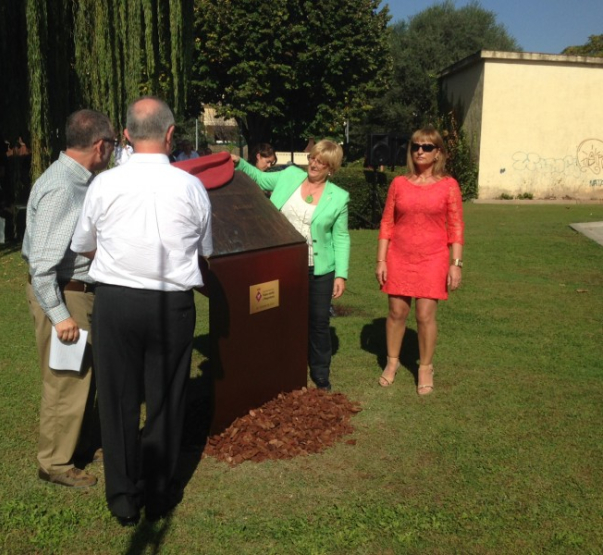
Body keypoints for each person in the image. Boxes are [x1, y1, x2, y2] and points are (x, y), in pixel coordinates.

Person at [71, 96, 213, 526]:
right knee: (167, 398)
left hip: (116, 301)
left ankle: (123, 496)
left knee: (117, 399)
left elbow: (84, 244)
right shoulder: (192, 187)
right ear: (171, 135)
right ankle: (159, 490)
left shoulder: (103, 184)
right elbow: (203, 250)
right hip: (171, 303)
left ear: (127, 135)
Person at [22, 109, 115, 487]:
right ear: (99, 146)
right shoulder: (63, 187)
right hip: (64, 294)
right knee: (65, 380)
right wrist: (61, 316)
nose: (112, 151)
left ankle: (77, 445)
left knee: (81, 376)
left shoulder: (77, 180)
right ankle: (55, 465)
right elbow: (42, 264)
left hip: (74, 292)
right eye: (111, 144)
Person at [231, 140, 350, 391]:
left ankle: (320, 374)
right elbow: (260, 179)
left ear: (331, 168)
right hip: (282, 264)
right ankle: (279, 366)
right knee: (280, 318)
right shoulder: (289, 175)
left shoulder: (339, 197)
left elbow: (341, 237)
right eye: (313, 158)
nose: (314, 164)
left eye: (321, 162)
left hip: (318, 269)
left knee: (318, 322)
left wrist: (341, 274)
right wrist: (239, 163)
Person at [375, 126, 464, 395]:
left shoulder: (449, 186)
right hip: (399, 256)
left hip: (433, 258)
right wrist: (381, 260)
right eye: (415, 146)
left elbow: (456, 227)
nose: (420, 152)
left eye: (427, 147)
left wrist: (455, 263)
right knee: (397, 312)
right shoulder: (399, 184)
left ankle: (425, 367)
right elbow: (387, 223)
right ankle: (392, 363)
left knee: (425, 315)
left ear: (438, 153)